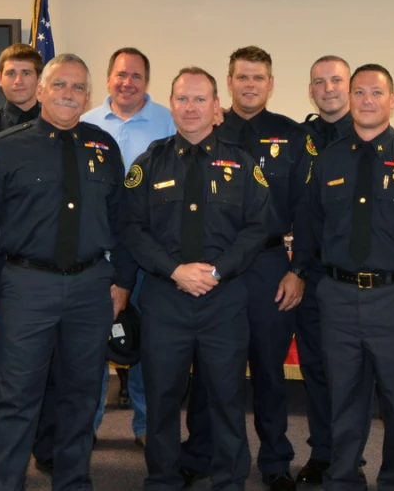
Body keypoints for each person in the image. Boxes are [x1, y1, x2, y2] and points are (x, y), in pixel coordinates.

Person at [0, 53, 137, 491]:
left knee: (80, 395)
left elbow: (123, 222)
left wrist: (122, 282)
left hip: (91, 288)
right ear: (41, 91)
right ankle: (4, 484)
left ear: (87, 95)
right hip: (25, 288)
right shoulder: (5, 147)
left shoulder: (102, 146)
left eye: (77, 87)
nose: (69, 95)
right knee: (17, 397)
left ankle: (73, 482)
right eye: (59, 85)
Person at [122, 65, 270, 491]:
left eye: (200, 99)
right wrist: (173, 270)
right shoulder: (149, 162)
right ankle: (163, 479)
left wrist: (217, 271)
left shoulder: (242, 164)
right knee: (162, 399)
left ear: (216, 107)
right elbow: (132, 227)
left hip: (223, 301)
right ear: (171, 105)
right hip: (165, 300)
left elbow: (257, 228)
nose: (190, 107)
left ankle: (229, 481)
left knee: (226, 399)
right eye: (183, 98)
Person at [180, 46, 313, 491]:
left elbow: (308, 211)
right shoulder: (207, 131)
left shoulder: (292, 136)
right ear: (229, 82)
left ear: (270, 84)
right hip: (215, 267)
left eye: (258, 77)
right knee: (209, 366)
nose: (250, 85)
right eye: (242, 77)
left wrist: (299, 271)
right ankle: (199, 452)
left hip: (269, 266)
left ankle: (275, 460)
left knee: (269, 367)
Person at [304, 63, 394, 491]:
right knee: (344, 399)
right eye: (359, 92)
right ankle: (343, 478)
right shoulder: (326, 160)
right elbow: (309, 227)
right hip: (338, 296)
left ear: (392, 101)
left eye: (376, 93)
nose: (366, 100)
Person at [0, 42, 57, 474]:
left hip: (49, 270)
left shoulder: (61, 126)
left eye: (27, 73)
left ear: (40, 80)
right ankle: (2, 459)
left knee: (51, 366)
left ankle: (48, 448)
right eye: (11, 73)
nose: (19, 81)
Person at [82, 46, 176, 447]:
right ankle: (86, 426)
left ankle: (145, 426)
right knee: (88, 344)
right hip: (95, 251)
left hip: (148, 252)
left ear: (147, 83)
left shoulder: (169, 121)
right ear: (108, 79)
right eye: (121, 75)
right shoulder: (84, 122)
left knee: (146, 342)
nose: (128, 83)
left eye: (136, 76)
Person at [295, 55, 372, 486]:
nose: (328, 89)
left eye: (336, 81)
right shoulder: (297, 139)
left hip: (356, 281)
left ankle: (352, 460)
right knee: (318, 371)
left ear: (350, 86)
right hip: (312, 274)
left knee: (356, 377)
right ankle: (324, 454)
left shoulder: (369, 138)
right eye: (319, 82)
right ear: (311, 90)